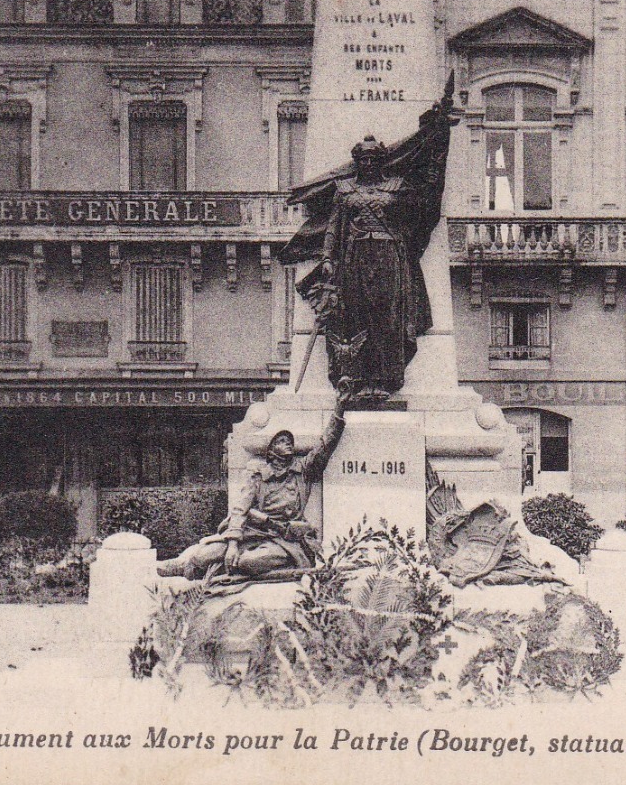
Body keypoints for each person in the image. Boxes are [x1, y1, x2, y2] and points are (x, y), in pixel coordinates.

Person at [281, 80, 457, 405]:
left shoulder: (398, 186)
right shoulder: (345, 191)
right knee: (357, 315)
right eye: (363, 160)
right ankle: (358, 377)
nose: (369, 164)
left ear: (381, 160)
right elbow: (333, 229)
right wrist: (328, 259)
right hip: (354, 260)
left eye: (374, 159)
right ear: (357, 162)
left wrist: (436, 141)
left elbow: (425, 202)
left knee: (388, 318)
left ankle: (386, 377)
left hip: (390, 257)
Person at [156, 394, 346, 582]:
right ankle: (187, 567)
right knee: (203, 556)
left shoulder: (302, 472)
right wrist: (232, 544)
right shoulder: (257, 477)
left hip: (286, 540)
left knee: (248, 562)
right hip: (253, 533)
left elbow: (325, 446)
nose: (288, 442)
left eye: (289, 440)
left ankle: (215, 570)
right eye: (281, 440)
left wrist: (339, 408)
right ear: (270, 451)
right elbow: (239, 510)